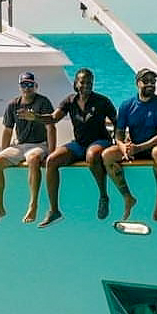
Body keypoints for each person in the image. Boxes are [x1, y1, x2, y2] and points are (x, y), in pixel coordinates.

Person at [40, 68, 117, 228]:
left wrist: (120, 142)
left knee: (92, 155)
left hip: (100, 141)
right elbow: (54, 118)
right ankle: (54, 210)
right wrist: (36, 118)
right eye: (83, 82)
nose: (86, 85)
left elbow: (118, 122)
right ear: (76, 83)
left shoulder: (102, 101)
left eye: (90, 82)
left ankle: (103, 196)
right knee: (51, 160)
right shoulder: (70, 101)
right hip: (79, 144)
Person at [103, 68, 157, 222]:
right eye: (146, 81)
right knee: (107, 155)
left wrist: (138, 147)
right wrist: (123, 147)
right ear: (137, 83)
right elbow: (119, 133)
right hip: (135, 148)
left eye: (153, 81)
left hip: (155, 147)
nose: (150, 84)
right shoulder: (126, 105)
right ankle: (128, 197)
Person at [0, 71, 55, 226]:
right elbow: (8, 130)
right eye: (24, 85)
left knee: (33, 159)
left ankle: (33, 204)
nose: (27, 88)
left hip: (39, 144)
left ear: (35, 86)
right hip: (20, 145)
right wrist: (3, 152)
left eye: (30, 85)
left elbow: (51, 127)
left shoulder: (43, 102)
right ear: (20, 87)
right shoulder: (13, 105)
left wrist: (51, 153)